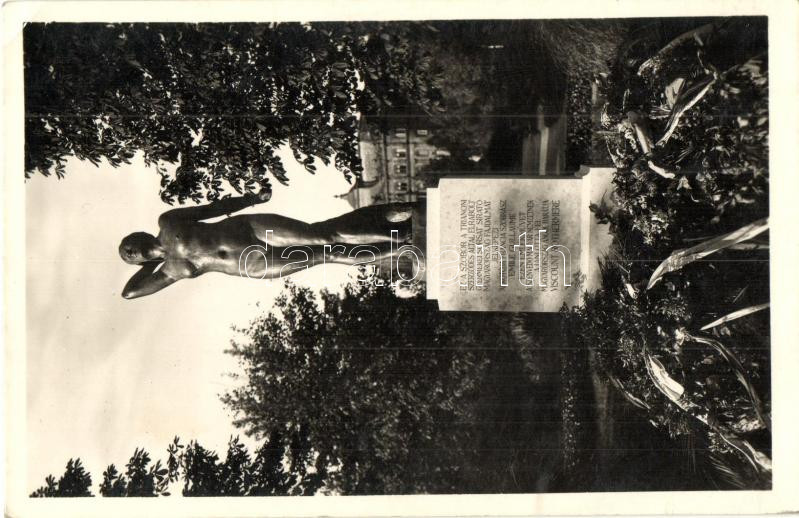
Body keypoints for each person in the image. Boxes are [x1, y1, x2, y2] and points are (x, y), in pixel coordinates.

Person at [119, 191, 416, 299]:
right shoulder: (167, 272)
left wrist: (250, 199)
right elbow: (129, 293)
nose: (129, 252)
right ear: (139, 264)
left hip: (250, 228)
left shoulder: (168, 222)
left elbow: (211, 209)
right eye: (128, 257)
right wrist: (148, 264)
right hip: (251, 264)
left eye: (127, 246)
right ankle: (401, 243)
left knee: (323, 236)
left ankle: (398, 232)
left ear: (138, 233)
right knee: (329, 254)